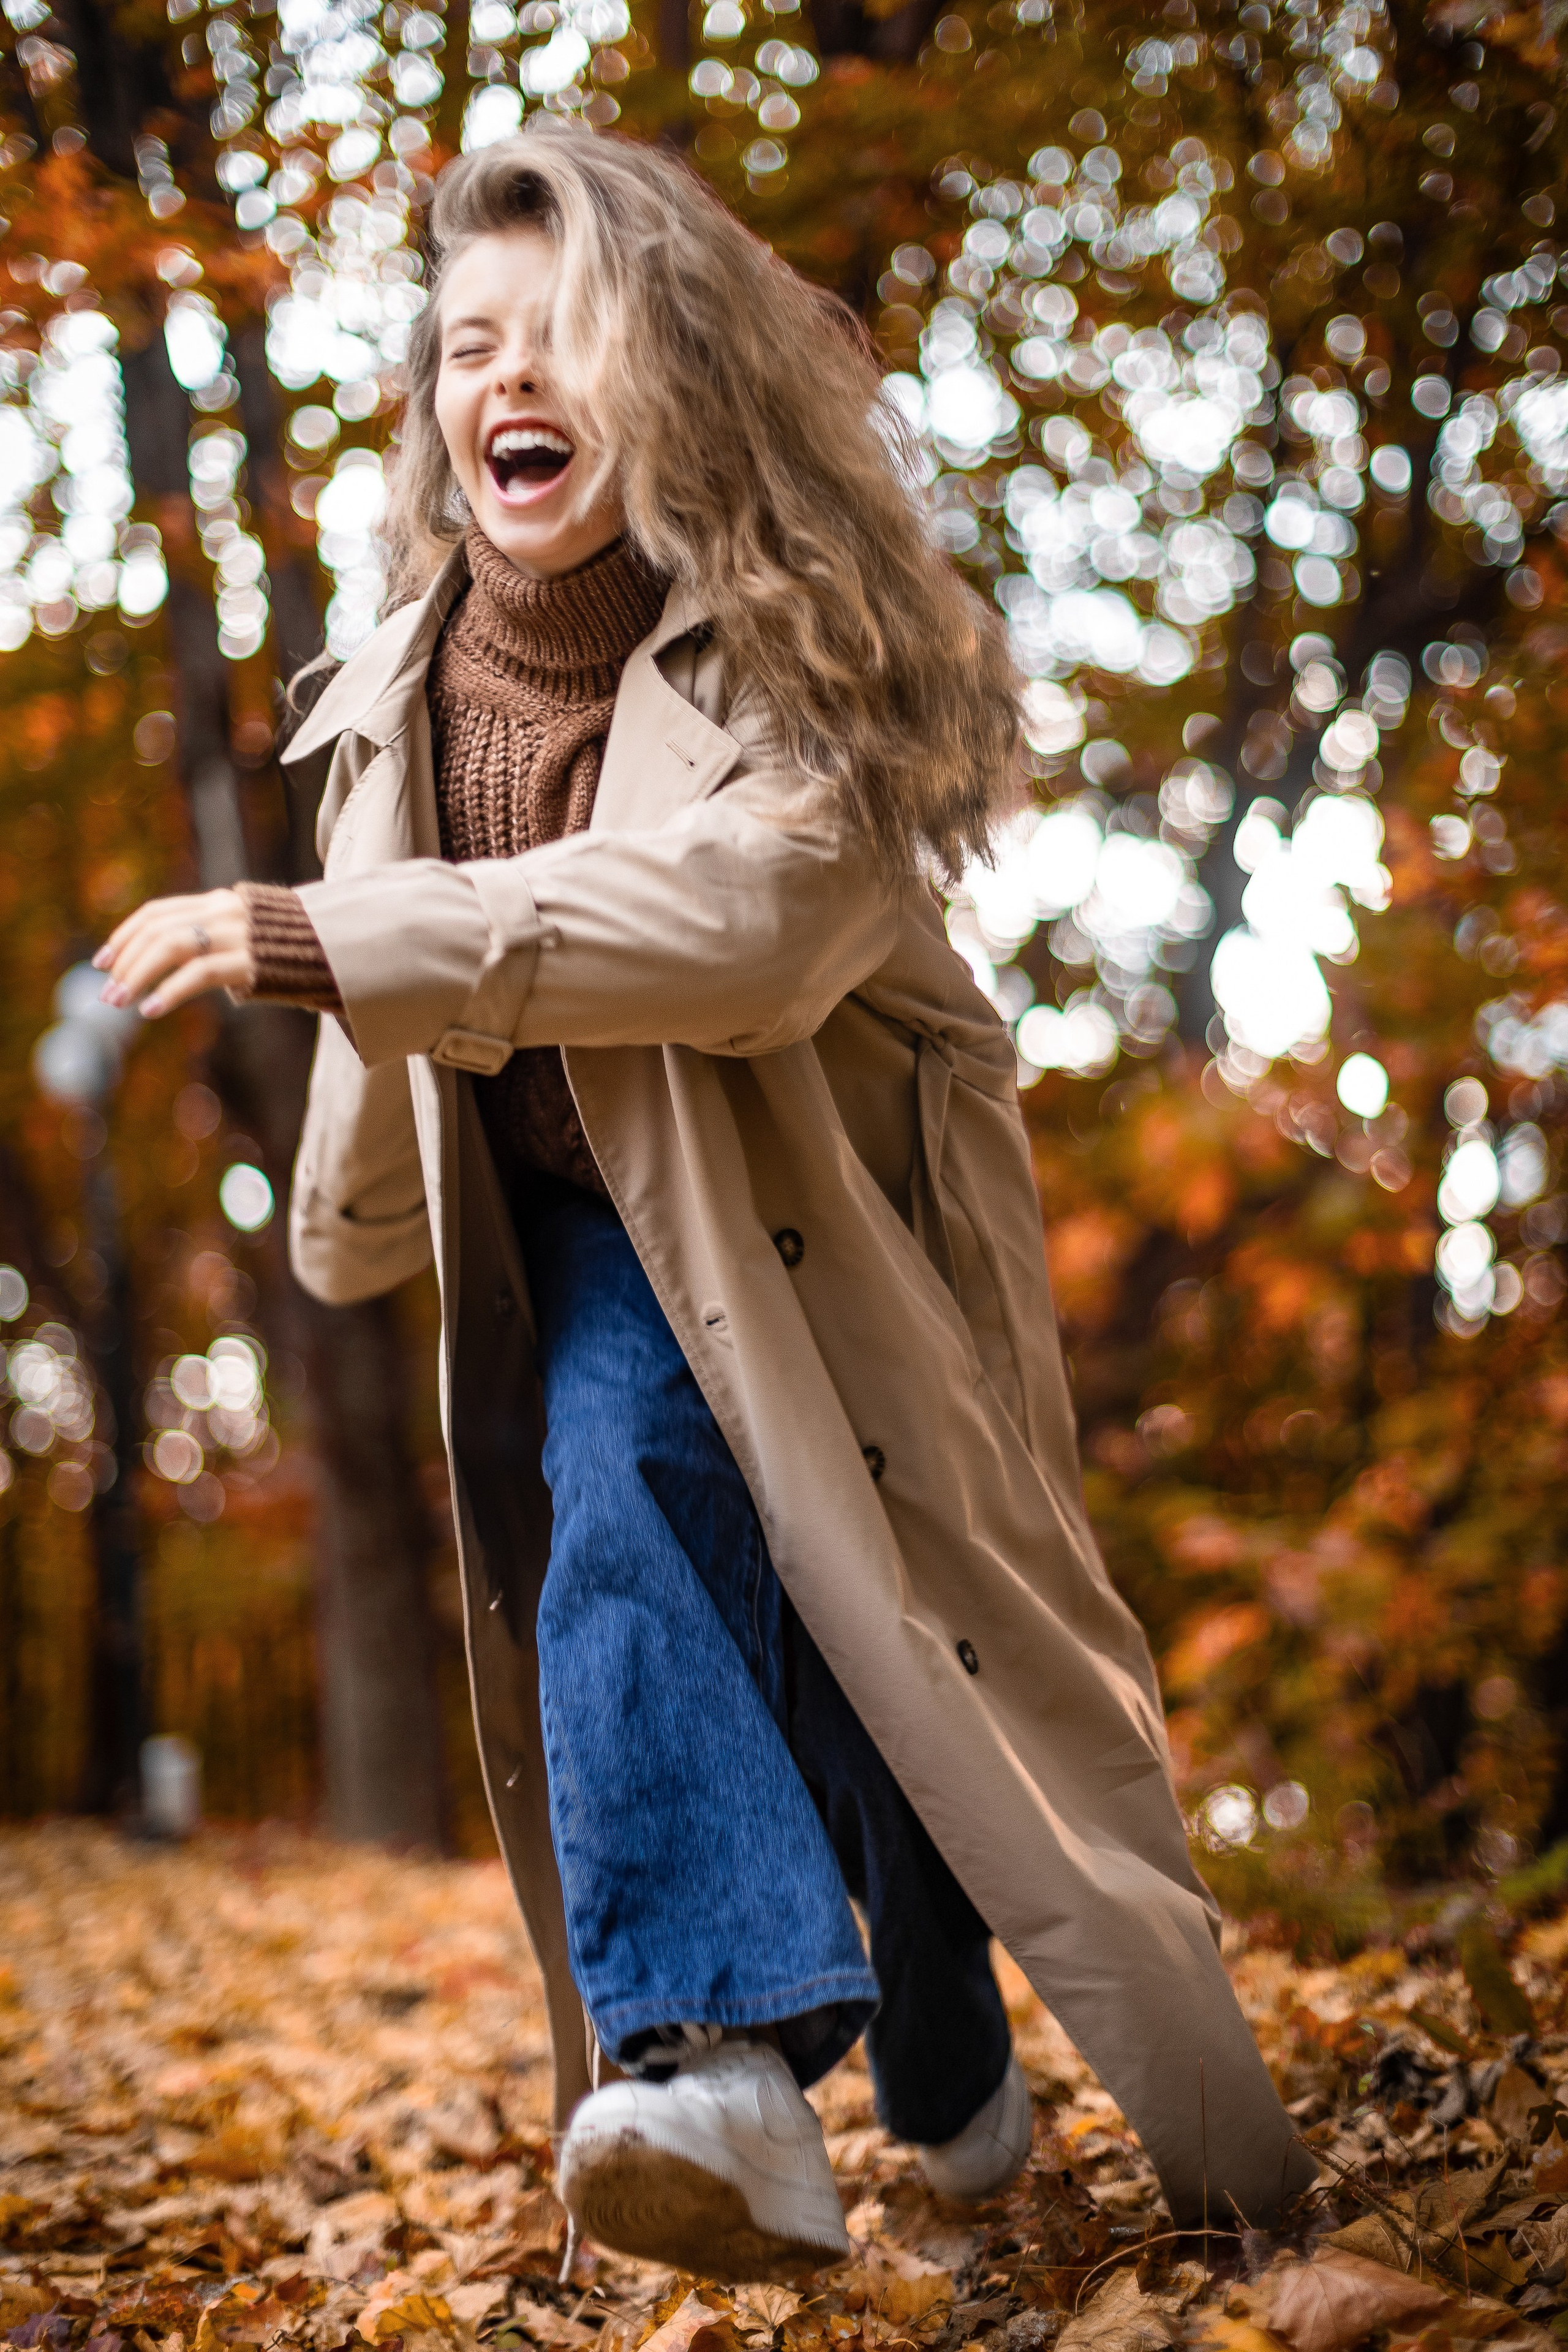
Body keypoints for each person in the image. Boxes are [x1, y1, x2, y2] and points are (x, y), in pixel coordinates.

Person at [96, 122, 1313, 2281]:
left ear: (673, 371)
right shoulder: (393, 682)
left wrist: (311, 939)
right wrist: (344, 1232)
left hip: (821, 1242)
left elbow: (733, 927)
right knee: (617, 1480)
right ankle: (719, 2069)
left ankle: (927, 2017)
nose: (505, 380)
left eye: (560, 331)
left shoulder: (793, 661)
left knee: (872, 1659)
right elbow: (422, 973)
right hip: (585, 1233)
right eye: (467, 344)